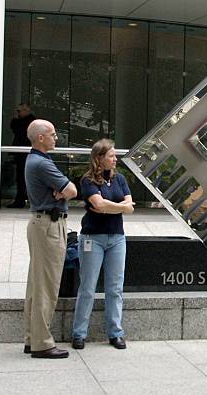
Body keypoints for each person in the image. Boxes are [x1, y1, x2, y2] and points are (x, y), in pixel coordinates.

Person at [71, 139, 135, 350]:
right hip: (92, 238)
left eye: (115, 156)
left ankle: (115, 333)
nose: (115, 159)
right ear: (99, 158)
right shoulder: (88, 180)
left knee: (115, 288)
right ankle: (79, 334)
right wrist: (120, 207)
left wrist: (111, 207)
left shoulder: (120, 179)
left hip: (117, 238)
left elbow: (130, 207)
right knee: (88, 287)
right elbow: (98, 204)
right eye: (111, 156)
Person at [24, 119, 77, 359]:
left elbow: (66, 190)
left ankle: (32, 338)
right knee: (46, 286)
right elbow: (73, 190)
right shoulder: (41, 164)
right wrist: (63, 191)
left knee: (36, 286)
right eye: (53, 134)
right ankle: (42, 343)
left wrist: (62, 191)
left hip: (42, 224)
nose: (57, 138)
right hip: (49, 226)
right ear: (41, 138)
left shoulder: (37, 161)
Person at [8, 103, 36, 208]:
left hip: (24, 154)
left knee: (22, 178)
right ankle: (21, 199)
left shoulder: (27, 122)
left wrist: (15, 119)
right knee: (21, 178)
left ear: (26, 111)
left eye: (19, 111)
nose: (18, 114)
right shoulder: (27, 122)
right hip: (23, 153)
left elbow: (16, 129)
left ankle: (20, 200)